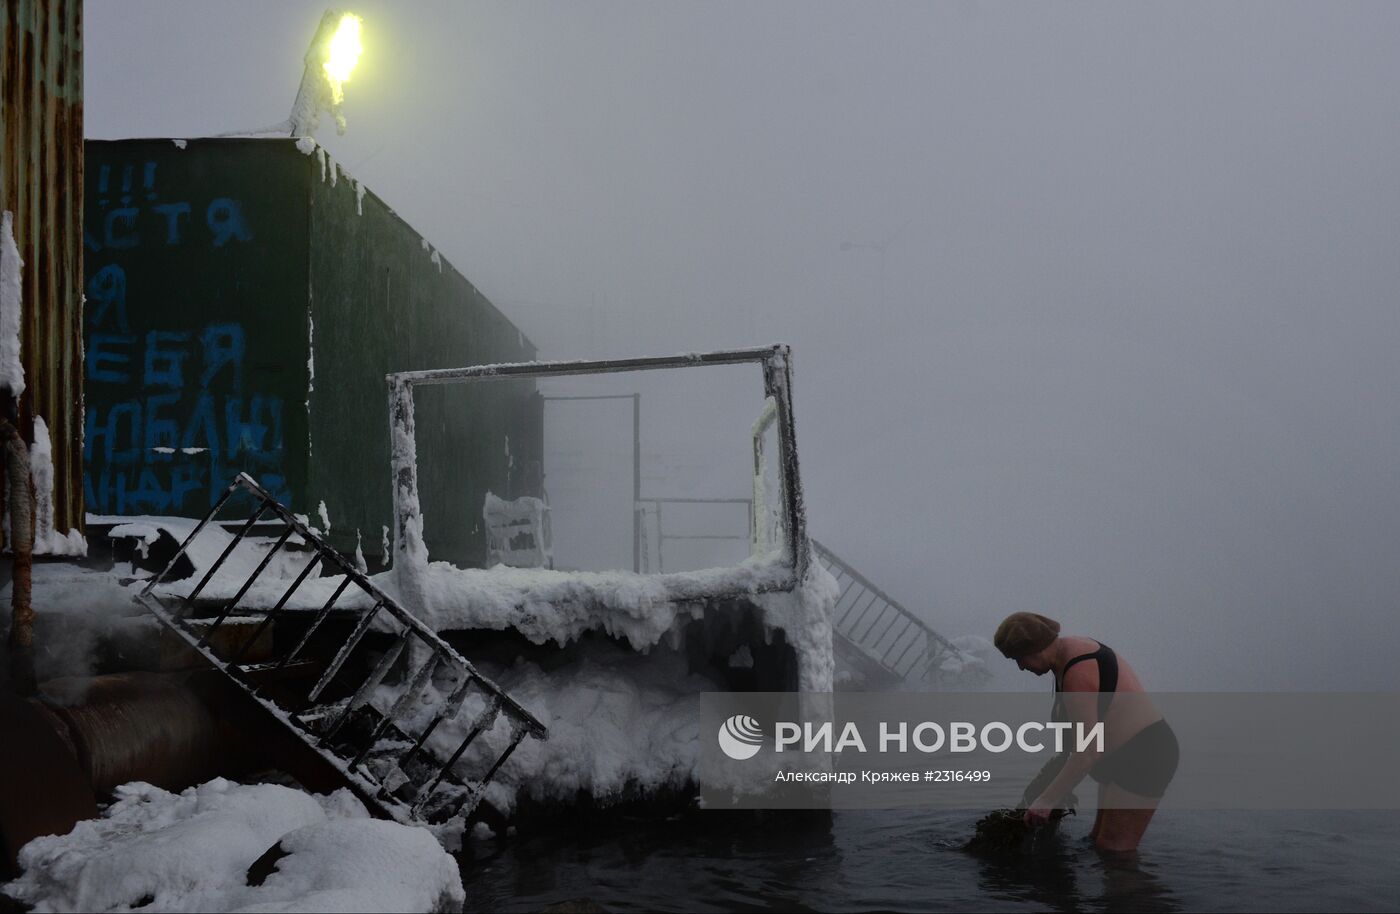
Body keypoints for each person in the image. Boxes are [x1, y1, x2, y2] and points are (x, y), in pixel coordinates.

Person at [993, 611, 1179, 853]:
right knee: (1098, 844)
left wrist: (1045, 802)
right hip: (1120, 758)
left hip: (1144, 756)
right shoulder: (1065, 654)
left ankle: (1137, 892)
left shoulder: (1078, 673)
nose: (1020, 668)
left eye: (1020, 659)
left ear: (1037, 648)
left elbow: (1088, 752)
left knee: (1115, 850)